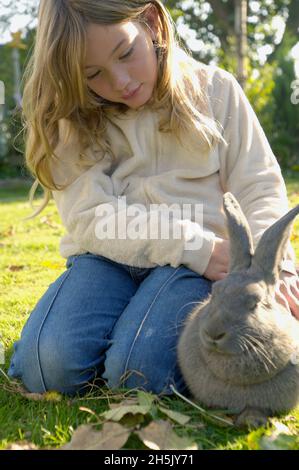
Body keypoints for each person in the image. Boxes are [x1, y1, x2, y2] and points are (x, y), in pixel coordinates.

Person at [8, 0, 299, 397]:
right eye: (93, 74)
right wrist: (194, 246)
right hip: (109, 259)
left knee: (138, 372)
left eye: (126, 53)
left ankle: (130, 341)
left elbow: (259, 187)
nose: (121, 81)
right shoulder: (72, 116)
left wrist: (271, 268)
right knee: (49, 368)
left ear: (150, 21)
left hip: (192, 268)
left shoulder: (216, 90)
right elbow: (91, 217)